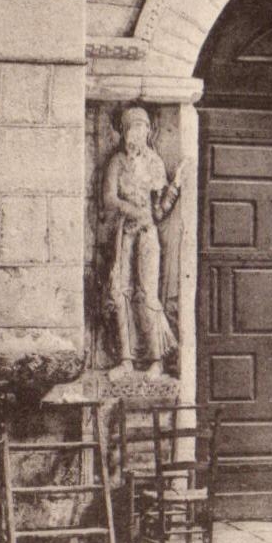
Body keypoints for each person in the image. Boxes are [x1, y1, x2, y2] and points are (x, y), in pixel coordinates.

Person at [102, 107, 176, 378]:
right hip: (124, 232)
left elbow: (158, 212)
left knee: (147, 293)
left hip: (146, 233)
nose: (139, 133)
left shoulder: (155, 162)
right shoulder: (117, 162)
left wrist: (175, 187)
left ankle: (156, 359)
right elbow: (109, 198)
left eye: (143, 127)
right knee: (120, 292)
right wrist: (132, 210)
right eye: (133, 127)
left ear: (148, 131)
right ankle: (126, 359)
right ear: (124, 132)